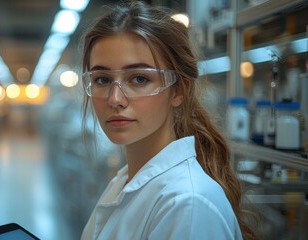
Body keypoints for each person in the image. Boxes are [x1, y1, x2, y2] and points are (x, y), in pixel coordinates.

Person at [80, 1, 257, 239]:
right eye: (102, 79)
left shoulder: (188, 206)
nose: (115, 99)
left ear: (178, 91)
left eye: (139, 79)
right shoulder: (125, 180)